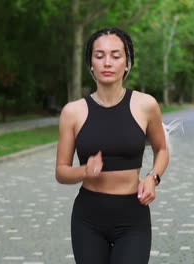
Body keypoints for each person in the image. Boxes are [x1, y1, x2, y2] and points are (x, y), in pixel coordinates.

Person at [55, 28, 169, 264]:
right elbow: (61, 171)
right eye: (99, 56)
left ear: (127, 63)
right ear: (90, 64)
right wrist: (84, 170)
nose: (107, 62)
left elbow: (162, 149)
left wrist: (152, 177)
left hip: (132, 216)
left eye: (116, 56)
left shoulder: (145, 105)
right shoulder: (72, 112)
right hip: (88, 217)